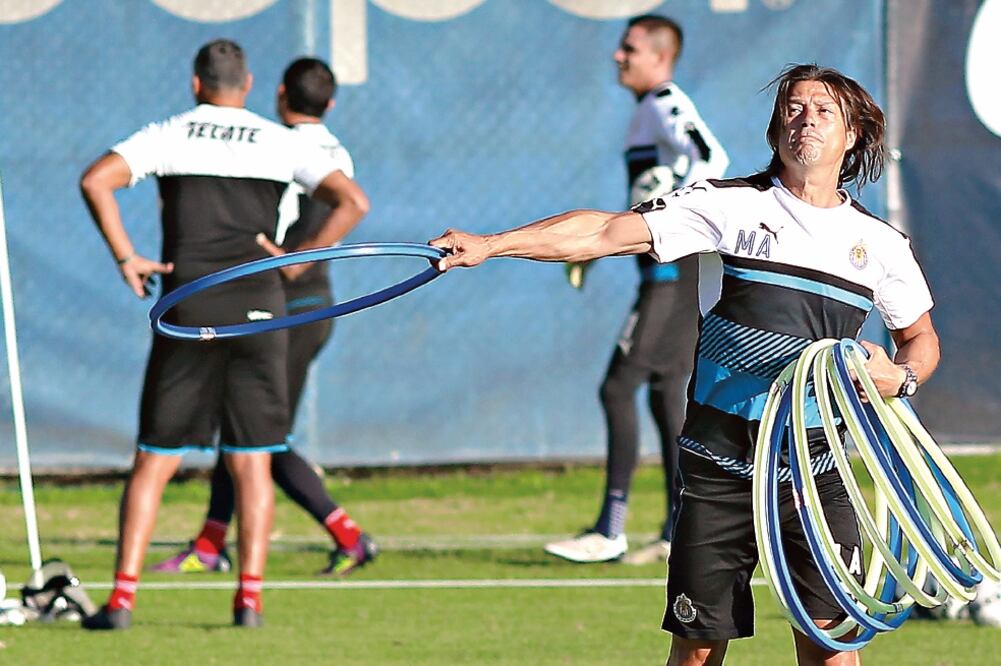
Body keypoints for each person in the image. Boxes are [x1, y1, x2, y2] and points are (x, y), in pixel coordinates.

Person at [430, 64, 939, 666]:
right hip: (719, 463)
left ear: (854, 134)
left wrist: (899, 377)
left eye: (824, 111)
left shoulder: (882, 244)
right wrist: (491, 245)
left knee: (830, 649)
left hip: (814, 467)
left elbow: (921, 340)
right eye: (793, 108)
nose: (806, 120)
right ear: (776, 128)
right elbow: (601, 232)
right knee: (697, 651)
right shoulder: (726, 205)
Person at [78, 40, 369, 630]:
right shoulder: (278, 140)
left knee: (155, 458)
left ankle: (122, 602)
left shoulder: (170, 134)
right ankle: (249, 604)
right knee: (252, 461)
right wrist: (298, 260)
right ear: (251, 84)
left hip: (191, 309)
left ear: (196, 84)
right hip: (261, 310)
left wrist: (126, 257)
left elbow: (95, 180)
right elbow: (353, 201)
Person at [151, 57, 378, 578]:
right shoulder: (334, 148)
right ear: (331, 103)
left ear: (277, 94)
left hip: (281, 303)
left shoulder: (276, 144)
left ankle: (348, 536)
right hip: (309, 303)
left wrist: (290, 261)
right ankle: (211, 541)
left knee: (260, 437)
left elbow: (333, 209)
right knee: (244, 431)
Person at [547, 14, 729, 565]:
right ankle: (682, 528)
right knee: (663, 393)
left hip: (673, 274)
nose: (617, 56)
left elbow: (711, 159)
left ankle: (610, 527)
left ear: (658, 56)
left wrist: (666, 215)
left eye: (628, 48)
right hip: (667, 272)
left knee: (617, 386)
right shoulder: (646, 110)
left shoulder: (665, 101)